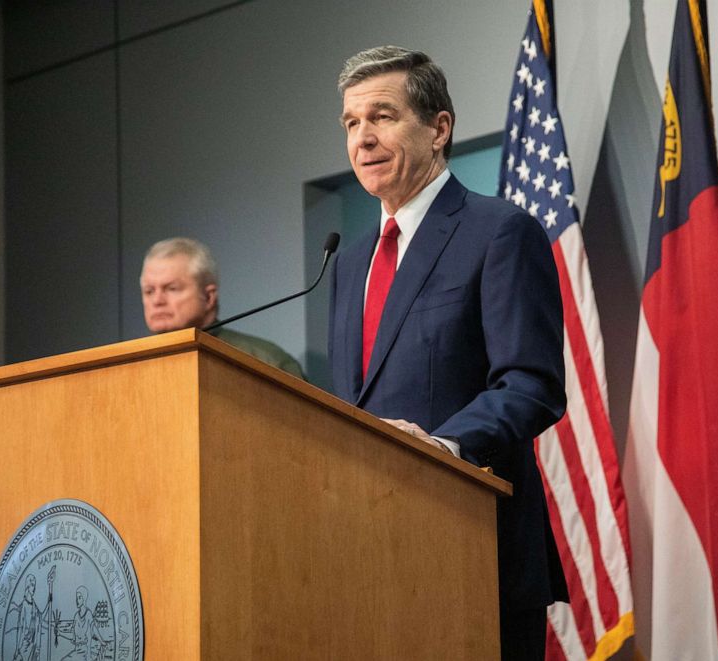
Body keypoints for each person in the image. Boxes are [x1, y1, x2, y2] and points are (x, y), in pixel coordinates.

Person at [329, 45, 567, 659]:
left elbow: (531, 383)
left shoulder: (499, 231)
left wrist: (443, 447)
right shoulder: (349, 262)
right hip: (365, 556)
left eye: (382, 116)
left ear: (439, 128)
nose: (363, 139)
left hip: (471, 546)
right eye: (352, 124)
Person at [140, 237, 304, 379]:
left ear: (209, 297)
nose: (157, 300)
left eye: (172, 288)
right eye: (149, 291)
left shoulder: (266, 361)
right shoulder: (131, 363)